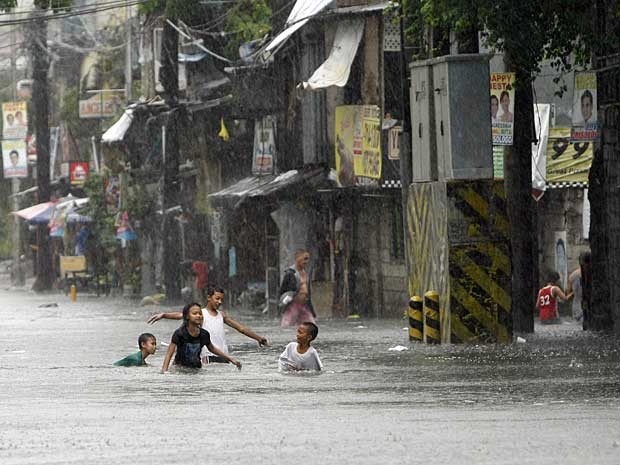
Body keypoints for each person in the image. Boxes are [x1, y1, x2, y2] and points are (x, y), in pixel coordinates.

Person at [148, 287, 269, 363]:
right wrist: (164, 315)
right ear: (209, 298)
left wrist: (258, 338)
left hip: (223, 355)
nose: (219, 302)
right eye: (217, 299)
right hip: (207, 357)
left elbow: (240, 328)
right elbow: (181, 315)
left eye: (221, 299)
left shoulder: (222, 315)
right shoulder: (201, 314)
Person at [160, 302, 241, 372]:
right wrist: (164, 371)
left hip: (196, 369)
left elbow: (212, 349)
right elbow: (169, 354)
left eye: (200, 314)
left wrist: (230, 359)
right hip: (180, 368)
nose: (198, 316)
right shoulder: (179, 333)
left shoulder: (204, 334)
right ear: (187, 316)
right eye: (194, 314)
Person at [279, 249, 316, 328]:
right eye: (305, 259)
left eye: (308, 259)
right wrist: (284, 301)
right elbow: (282, 289)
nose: (306, 261)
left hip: (304, 305)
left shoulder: (305, 272)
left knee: (312, 328)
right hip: (293, 306)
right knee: (286, 327)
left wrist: (311, 308)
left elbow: (308, 290)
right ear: (297, 258)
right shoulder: (290, 273)